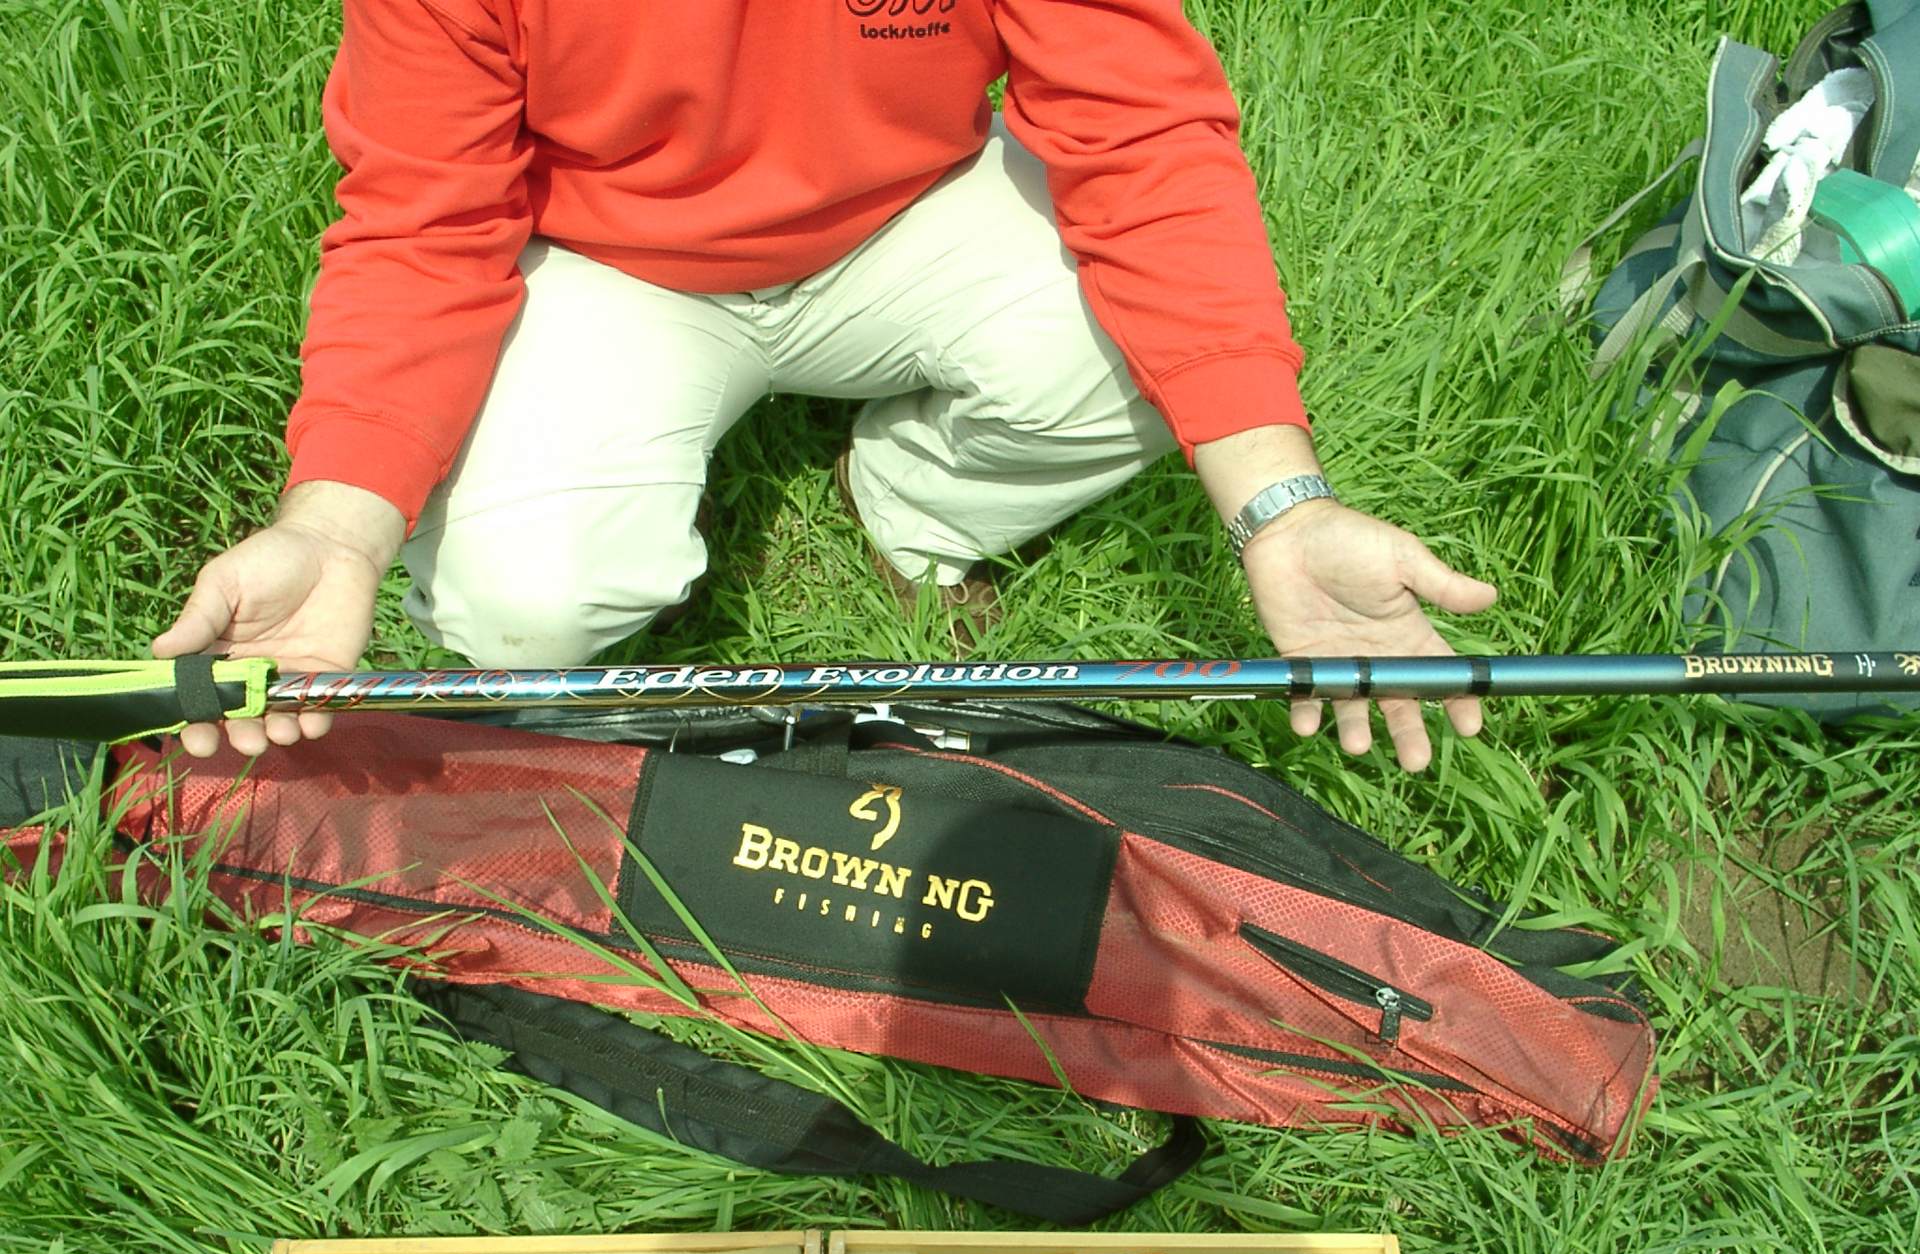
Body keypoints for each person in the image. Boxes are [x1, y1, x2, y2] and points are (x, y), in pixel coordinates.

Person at [153, 0, 1497, 771]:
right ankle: (633, 488)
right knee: (523, 602)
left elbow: (1144, 136)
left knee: (1166, 374)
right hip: (613, 261)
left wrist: (1280, 505)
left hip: (913, 210)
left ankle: (913, 507)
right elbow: (421, 228)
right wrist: (336, 530)